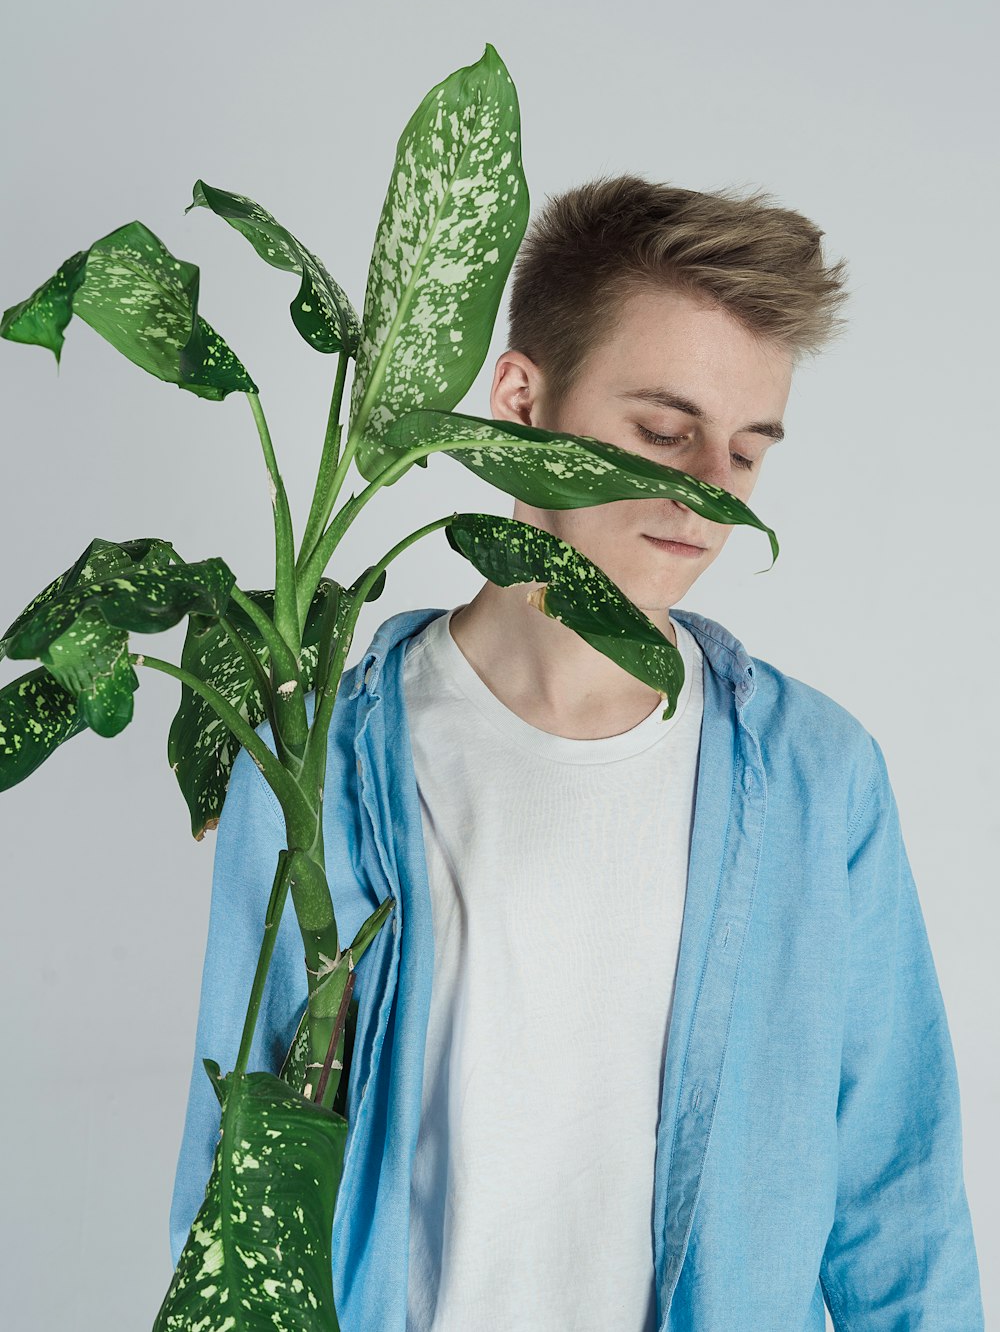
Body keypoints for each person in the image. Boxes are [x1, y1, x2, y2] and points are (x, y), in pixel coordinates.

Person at [168, 174, 985, 1331]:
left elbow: (897, 1204)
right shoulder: (319, 761)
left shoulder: (816, 778)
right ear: (519, 398)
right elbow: (236, 1188)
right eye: (661, 431)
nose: (707, 494)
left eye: (746, 452)